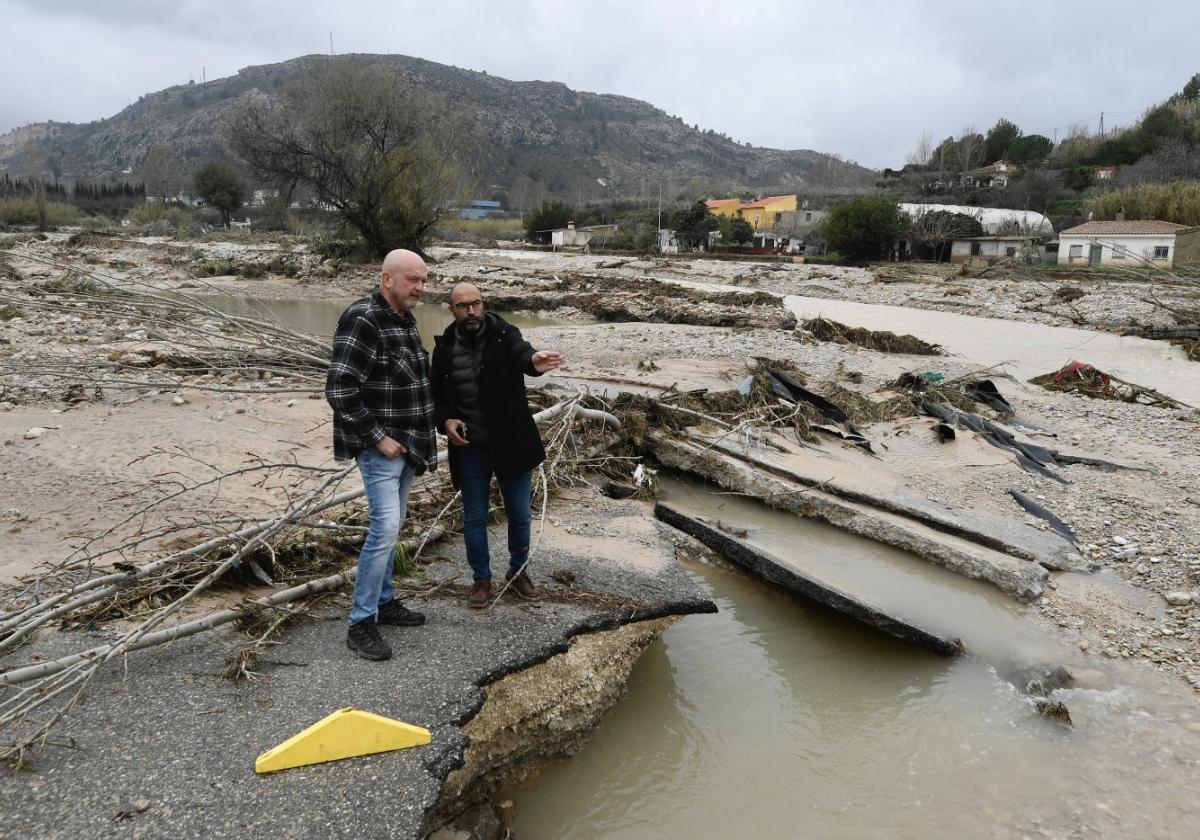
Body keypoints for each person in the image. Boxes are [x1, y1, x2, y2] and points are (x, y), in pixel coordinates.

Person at [326, 249, 437, 661]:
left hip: (407, 446)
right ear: (386, 278)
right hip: (381, 451)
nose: (420, 288)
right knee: (385, 528)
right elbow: (339, 388)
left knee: (395, 526)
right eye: (413, 280)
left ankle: (385, 601)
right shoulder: (363, 319)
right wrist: (377, 438)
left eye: (424, 280)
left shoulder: (404, 320)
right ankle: (361, 623)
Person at [431, 282, 563, 608]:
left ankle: (518, 572)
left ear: (484, 304)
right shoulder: (444, 348)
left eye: (476, 304)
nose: (472, 311)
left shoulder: (505, 335)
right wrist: (445, 422)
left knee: (519, 515)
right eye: (463, 306)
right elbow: (435, 398)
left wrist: (534, 361)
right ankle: (481, 579)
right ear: (452, 309)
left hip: (511, 443)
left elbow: (523, 354)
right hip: (470, 448)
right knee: (474, 517)